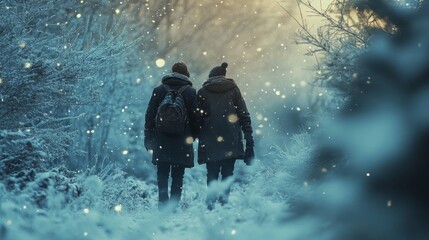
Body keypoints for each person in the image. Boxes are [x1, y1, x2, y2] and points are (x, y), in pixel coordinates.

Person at [197, 62, 255, 210]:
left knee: (212, 172)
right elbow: (244, 115)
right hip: (231, 138)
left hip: (210, 139)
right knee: (228, 171)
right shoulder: (234, 90)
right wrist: (249, 138)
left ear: (211, 77)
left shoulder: (203, 92)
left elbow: (197, 118)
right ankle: (223, 201)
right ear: (223, 76)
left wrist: (200, 132)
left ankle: (210, 203)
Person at [144, 62, 198, 210]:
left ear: (172, 72)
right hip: (182, 139)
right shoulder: (191, 92)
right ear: (186, 74)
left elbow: (149, 115)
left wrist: (148, 137)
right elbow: (196, 118)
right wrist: (192, 136)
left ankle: (162, 204)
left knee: (162, 174)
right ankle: (173, 207)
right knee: (178, 175)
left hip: (161, 138)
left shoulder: (159, 90)